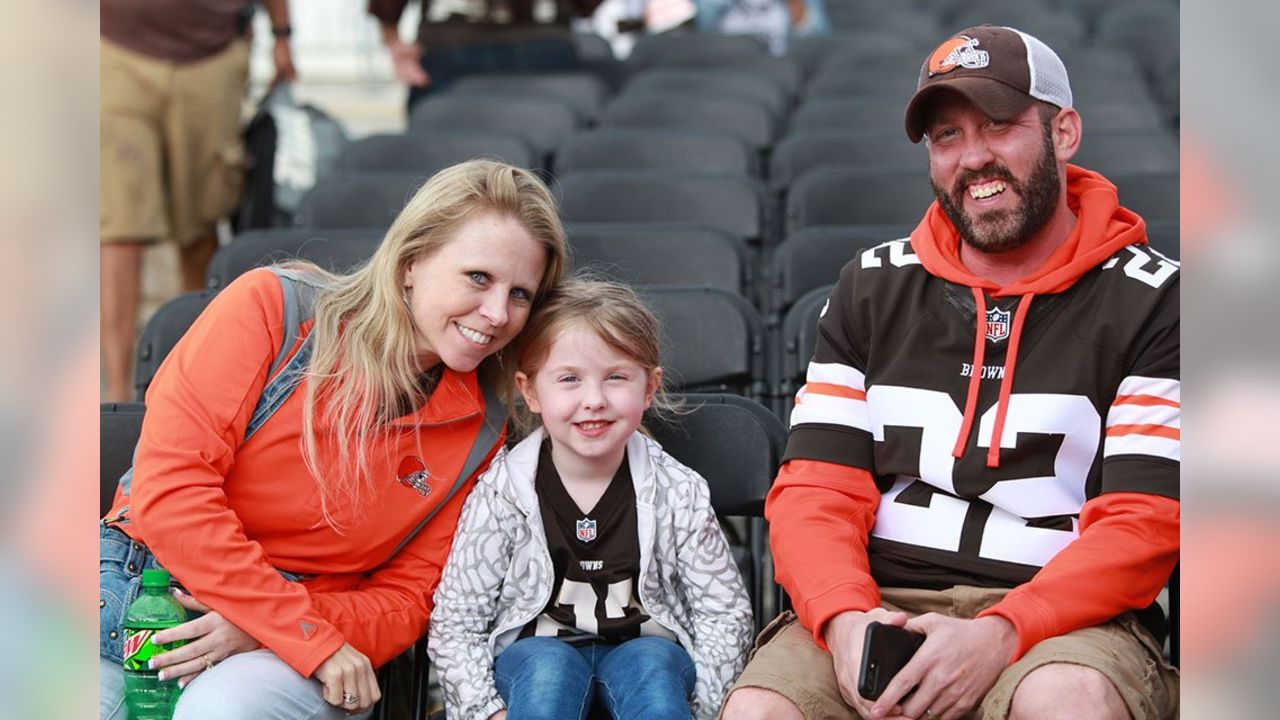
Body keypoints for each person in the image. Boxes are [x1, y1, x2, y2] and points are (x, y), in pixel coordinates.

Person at [723, 25, 1180, 720]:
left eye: (998, 126)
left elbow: (1144, 522)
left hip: (1071, 624)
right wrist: (845, 620)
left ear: (1064, 132)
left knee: (1066, 700)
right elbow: (817, 489)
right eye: (947, 137)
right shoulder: (871, 286)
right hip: (881, 603)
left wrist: (1002, 633)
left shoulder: (1156, 299)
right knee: (761, 709)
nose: (974, 159)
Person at [99, 160, 568, 720]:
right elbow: (171, 491)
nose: (497, 314)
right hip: (138, 588)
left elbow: (409, 597)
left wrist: (278, 632)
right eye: (478, 278)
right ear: (411, 261)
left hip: (301, 643)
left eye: (520, 294)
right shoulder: (273, 309)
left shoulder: (485, 429)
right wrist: (280, 621)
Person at [429, 279, 754, 720]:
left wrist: (703, 708)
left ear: (649, 387)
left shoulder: (678, 489)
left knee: (653, 672)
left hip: (645, 649)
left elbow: (725, 613)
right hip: (535, 654)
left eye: (616, 378)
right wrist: (485, 712)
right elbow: (457, 621)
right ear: (530, 391)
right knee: (548, 673)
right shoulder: (502, 493)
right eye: (569, 379)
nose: (594, 401)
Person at [100, 0, 298, 403]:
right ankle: (116, 394)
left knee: (199, 227)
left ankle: (186, 384)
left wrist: (283, 37)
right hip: (115, 49)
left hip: (211, 56)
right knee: (118, 226)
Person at [368, 0, 602, 110]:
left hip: (450, 50)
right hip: (544, 49)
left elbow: (385, 8)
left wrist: (394, 43)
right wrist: (396, 47)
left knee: (437, 173)